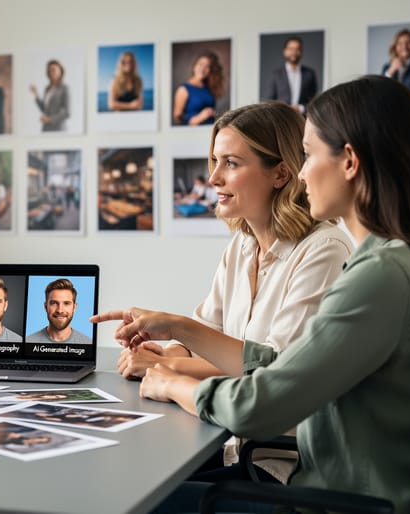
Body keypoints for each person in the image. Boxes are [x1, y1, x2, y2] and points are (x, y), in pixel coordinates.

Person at [96, 75, 410, 513]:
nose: (302, 172)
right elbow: (283, 365)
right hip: (341, 491)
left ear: (349, 161)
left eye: (307, 155)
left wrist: (173, 381)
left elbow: (258, 406)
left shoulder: (382, 275)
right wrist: (175, 335)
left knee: (123, 499)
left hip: (326, 501)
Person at [110, 100, 354, 484]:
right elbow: (207, 337)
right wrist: (165, 352)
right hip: (225, 443)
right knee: (126, 473)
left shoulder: (323, 250)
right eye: (214, 161)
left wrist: (170, 367)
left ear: (281, 173)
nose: (213, 179)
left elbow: (274, 372)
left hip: (277, 464)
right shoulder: (241, 248)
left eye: (231, 163)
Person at [262, 36, 319, 114]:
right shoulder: (276, 74)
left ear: (301, 51)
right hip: (281, 117)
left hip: (302, 118)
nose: (294, 52)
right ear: (285, 51)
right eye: (291, 49)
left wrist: (301, 108)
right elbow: (269, 100)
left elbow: (314, 101)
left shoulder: (309, 73)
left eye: (297, 49)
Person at [26, 278, 91, 344]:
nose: (60, 310)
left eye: (66, 303)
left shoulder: (88, 343)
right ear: (45, 306)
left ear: (74, 307)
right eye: (54, 303)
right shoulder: (28, 342)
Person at [173, 51, 223, 126]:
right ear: (194, 66)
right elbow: (177, 118)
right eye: (201, 64)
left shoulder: (208, 87)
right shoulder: (183, 89)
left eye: (207, 66)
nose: (203, 69)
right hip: (194, 132)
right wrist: (199, 117)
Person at [29, 59, 69, 131]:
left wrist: (50, 119)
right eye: (49, 70)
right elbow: (45, 109)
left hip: (58, 130)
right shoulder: (47, 89)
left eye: (54, 70)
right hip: (46, 129)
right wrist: (36, 94)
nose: (51, 72)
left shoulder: (64, 89)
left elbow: (67, 112)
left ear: (60, 71)